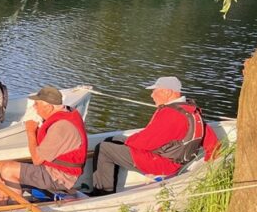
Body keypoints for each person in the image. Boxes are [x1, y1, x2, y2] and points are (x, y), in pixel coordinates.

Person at [90, 76, 219, 196]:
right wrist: (210, 164)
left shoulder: (171, 114)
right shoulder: (192, 112)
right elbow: (212, 142)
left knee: (104, 148)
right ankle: (110, 186)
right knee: (112, 140)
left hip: (162, 164)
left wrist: (127, 142)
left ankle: (102, 194)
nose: (152, 95)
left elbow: (145, 142)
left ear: (167, 92)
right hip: (174, 160)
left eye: (155, 91)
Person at [0, 85, 87, 203]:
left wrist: (30, 131)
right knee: (1, 168)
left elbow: (37, 160)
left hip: (61, 177)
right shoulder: (65, 114)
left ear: (49, 107)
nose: (34, 107)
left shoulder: (60, 127)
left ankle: (18, 209)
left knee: (8, 169)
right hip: (52, 168)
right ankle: (2, 206)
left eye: (36, 104)